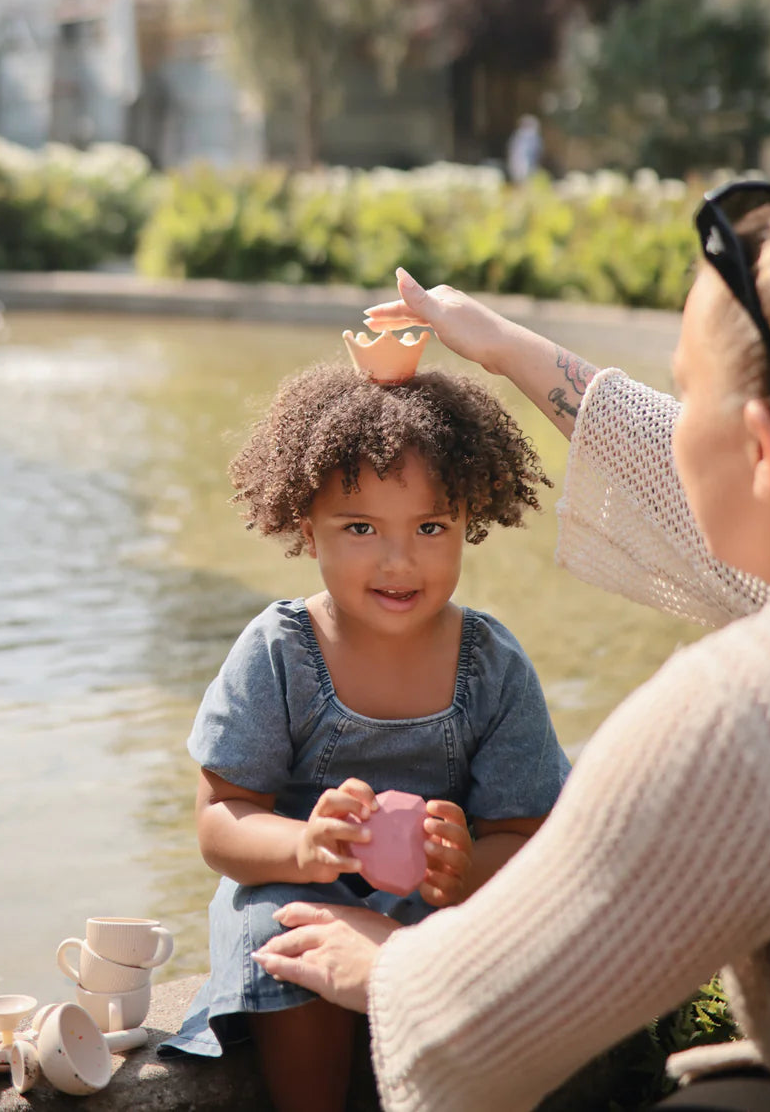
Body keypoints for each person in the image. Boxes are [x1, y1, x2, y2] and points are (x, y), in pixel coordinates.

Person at [253, 182, 770, 1112]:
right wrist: (504, 348)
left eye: (688, 390)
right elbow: (704, 491)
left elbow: (477, 1038)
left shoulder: (754, 713)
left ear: (759, 446)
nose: (674, 427)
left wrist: (394, 969)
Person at [159, 362, 572, 1112]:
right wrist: (304, 848)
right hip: (297, 893)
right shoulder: (279, 652)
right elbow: (221, 818)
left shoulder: (492, 665)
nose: (398, 560)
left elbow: (526, 828)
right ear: (302, 525)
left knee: (490, 942)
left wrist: (466, 869)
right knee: (284, 932)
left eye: (430, 527)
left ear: (468, 521)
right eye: (359, 528)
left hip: (431, 906)